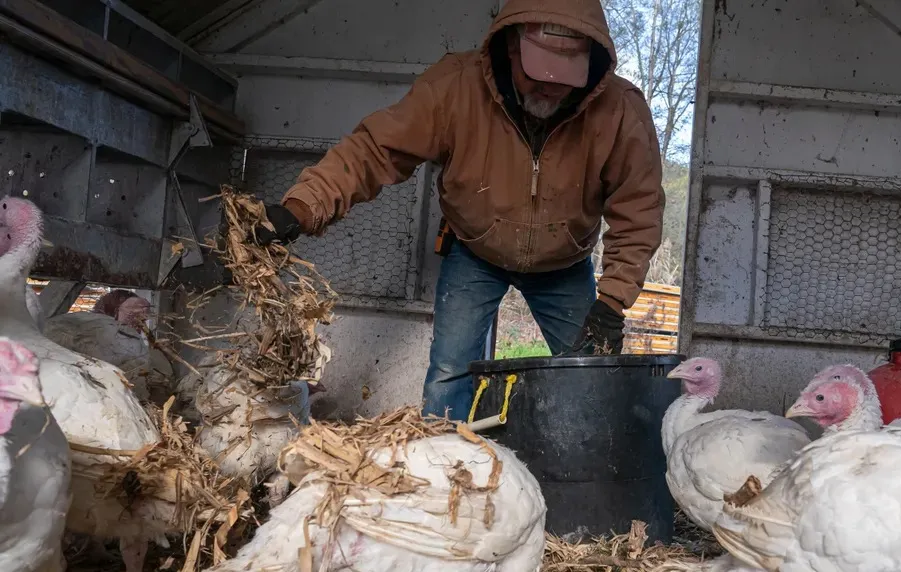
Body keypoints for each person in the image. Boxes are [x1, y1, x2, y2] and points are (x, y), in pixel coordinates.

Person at [251, 0, 665, 421]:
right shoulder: (456, 88)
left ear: (590, 64)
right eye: (537, 72)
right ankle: (444, 471)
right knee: (449, 376)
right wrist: (302, 208)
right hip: (476, 252)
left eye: (564, 78)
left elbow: (639, 210)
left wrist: (613, 301)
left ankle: (587, 474)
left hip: (565, 262)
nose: (549, 87)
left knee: (593, 377)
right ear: (510, 46)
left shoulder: (620, 111)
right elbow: (376, 150)